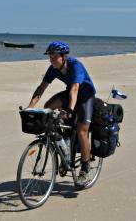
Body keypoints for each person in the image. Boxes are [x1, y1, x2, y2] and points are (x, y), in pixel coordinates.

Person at [27, 41, 96, 185]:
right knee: (48, 108)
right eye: (50, 56)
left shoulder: (75, 65)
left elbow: (75, 88)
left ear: (64, 56)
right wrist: (30, 107)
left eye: (54, 56)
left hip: (85, 97)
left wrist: (70, 109)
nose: (51, 59)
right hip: (70, 94)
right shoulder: (52, 69)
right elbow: (41, 88)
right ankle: (63, 139)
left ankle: (85, 167)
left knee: (82, 131)